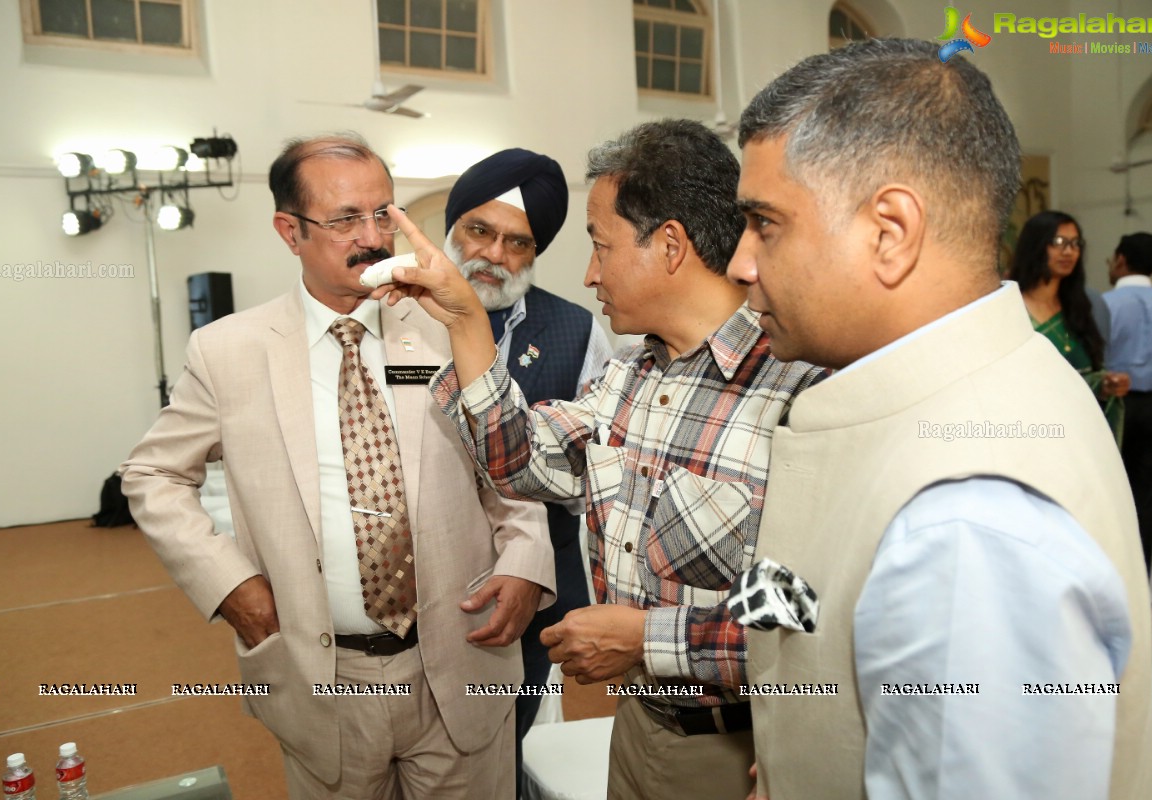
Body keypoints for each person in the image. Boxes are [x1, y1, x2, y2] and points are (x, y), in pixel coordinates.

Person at [724, 38, 1152, 799]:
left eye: (765, 223)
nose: (741, 262)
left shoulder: (965, 525)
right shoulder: (991, 384)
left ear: (889, 232)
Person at [374, 119, 821, 800]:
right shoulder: (630, 379)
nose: (588, 274)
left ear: (670, 246)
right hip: (638, 728)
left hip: (741, 749)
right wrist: (465, 319)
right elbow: (514, 456)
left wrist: (648, 640)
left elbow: (820, 620)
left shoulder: (796, 391)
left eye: (600, 247)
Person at [120, 133, 555, 800]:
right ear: (289, 232)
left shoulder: (447, 325)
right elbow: (150, 475)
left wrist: (526, 558)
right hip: (323, 679)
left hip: (459, 661)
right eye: (346, 219)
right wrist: (227, 583)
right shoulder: (229, 352)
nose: (373, 235)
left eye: (384, 213)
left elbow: (504, 454)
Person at [441, 147, 613, 796]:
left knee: (506, 737)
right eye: (479, 231)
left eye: (518, 243)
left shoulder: (574, 329)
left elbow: (585, 464)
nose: (494, 255)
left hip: (539, 586)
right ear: (452, 230)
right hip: (427, 582)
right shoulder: (397, 316)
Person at [1009, 211, 1131, 445]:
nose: (1069, 251)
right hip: (1025, 433)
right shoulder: (1010, 305)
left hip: (1078, 435)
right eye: (1058, 242)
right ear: (1035, 245)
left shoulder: (1084, 305)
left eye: (1075, 243)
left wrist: (1106, 383)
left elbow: (1088, 371)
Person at [1106, 232, 1152, 572]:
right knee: (1146, 503)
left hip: (1111, 408)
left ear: (1120, 260)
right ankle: (1138, 586)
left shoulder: (1102, 305)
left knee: (1108, 497)